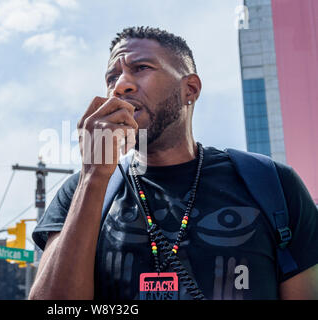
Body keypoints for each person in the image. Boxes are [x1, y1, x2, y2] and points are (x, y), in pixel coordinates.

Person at [29, 26, 318, 300]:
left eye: (141, 68)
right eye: (111, 77)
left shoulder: (272, 183)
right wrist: (93, 175)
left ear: (190, 89)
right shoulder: (82, 191)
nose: (120, 86)